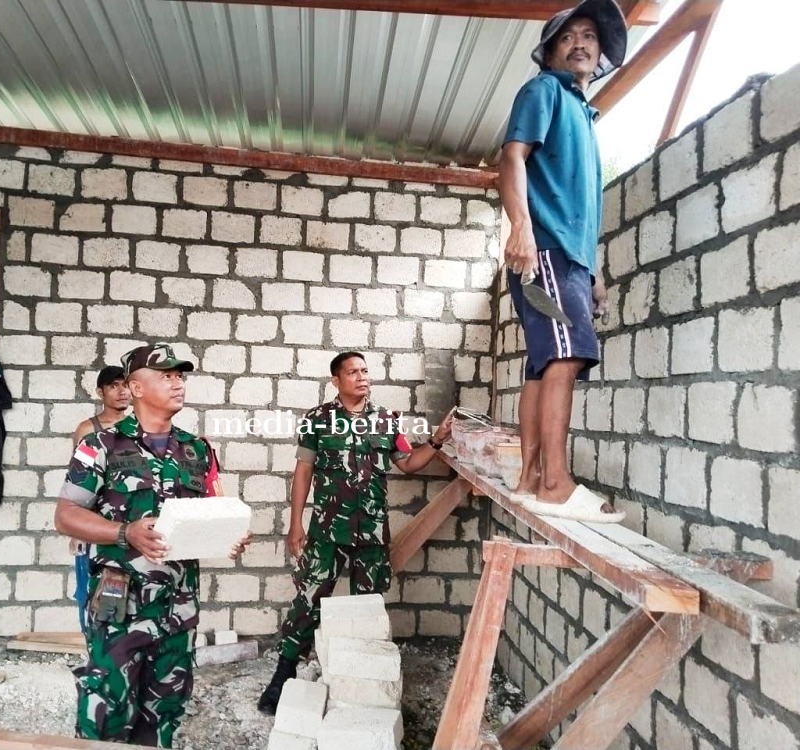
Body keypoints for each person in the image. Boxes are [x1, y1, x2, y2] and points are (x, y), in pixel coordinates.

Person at [55, 342, 251, 747]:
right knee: (108, 708)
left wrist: (230, 535)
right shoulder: (101, 446)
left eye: (180, 376)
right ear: (137, 388)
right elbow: (66, 516)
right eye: (166, 376)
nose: (178, 383)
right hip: (119, 607)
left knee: (165, 711)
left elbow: (214, 507)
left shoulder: (197, 450)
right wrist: (125, 533)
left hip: (177, 608)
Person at [257, 351, 453, 715]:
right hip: (328, 530)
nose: (362, 377)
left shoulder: (386, 421)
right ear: (336, 380)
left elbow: (408, 465)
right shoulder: (317, 420)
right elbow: (303, 472)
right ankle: (282, 675)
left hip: (372, 533)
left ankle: (362, 686)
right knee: (309, 600)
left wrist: (437, 441)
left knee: (368, 608)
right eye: (353, 372)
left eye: (365, 370)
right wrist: (295, 522)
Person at [500, 0, 628, 523]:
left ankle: (531, 479)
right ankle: (556, 482)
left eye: (589, 37)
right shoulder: (543, 91)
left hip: (567, 258)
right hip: (546, 249)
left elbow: (582, 206)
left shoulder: (583, 116)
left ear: (598, 53)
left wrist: (592, 272)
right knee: (566, 358)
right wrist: (522, 230)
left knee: (542, 364)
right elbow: (511, 158)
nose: (580, 43)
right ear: (551, 51)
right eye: (567, 36)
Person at [69, 365, 131, 634]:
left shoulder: (137, 429)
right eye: (114, 386)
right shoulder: (87, 431)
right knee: (95, 591)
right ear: (100, 392)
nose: (122, 391)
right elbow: (78, 483)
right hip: (97, 524)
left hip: (132, 525)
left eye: (125, 385)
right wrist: (77, 527)